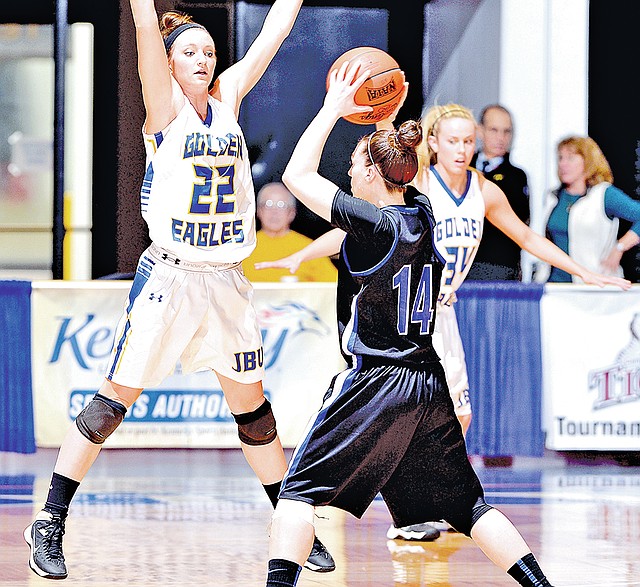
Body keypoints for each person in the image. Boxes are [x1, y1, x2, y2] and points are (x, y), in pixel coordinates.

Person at [23, 0, 335, 580]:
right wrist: (146, 14)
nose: (202, 59)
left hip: (227, 280)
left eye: (208, 52)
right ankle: (49, 520)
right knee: (112, 403)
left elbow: (272, 32)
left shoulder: (229, 100)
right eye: (189, 52)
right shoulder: (163, 112)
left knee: (255, 413)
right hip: (171, 275)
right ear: (167, 64)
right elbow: (144, 22)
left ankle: (291, 524)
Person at [259, 100, 632, 546]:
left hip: (441, 311)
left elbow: (527, 237)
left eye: (469, 141)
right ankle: (416, 509)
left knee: (458, 415)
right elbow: (357, 222)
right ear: (432, 143)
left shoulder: (484, 191)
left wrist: (582, 270)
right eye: (453, 140)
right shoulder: (418, 188)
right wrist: (302, 253)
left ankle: (424, 506)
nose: (462, 149)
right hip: (404, 317)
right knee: (418, 415)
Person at [265, 60, 558, 587]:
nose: (350, 173)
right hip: (428, 381)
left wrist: (334, 107)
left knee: (297, 494)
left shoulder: (373, 223)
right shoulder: (422, 210)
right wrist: (387, 121)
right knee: (470, 506)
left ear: (375, 175)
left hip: (375, 378)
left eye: (357, 165)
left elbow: (295, 176)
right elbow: (399, 166)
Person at [534, 135, 640, 283]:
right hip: (554, 285)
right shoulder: (553, 197)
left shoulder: (604, 195)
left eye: (570, 158)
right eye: (560, 158)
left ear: (588, 161)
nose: (563, 164)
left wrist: (620, 247)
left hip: (594, 285)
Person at [467, 104, 530, 281]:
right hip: (460, 265)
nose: (500, 138)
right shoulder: (461, 167)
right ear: (480, 130)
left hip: (500, 267)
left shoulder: (517, 177)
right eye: (494, 130)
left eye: (506, 131)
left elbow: (520, 222)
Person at [242, 181, 337, 282]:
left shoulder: (308, 249)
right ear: (259, 211)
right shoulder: (243, 248)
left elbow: (332, 286)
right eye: (268, 204)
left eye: (281, 205)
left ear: (292, 213)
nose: (274, 212)